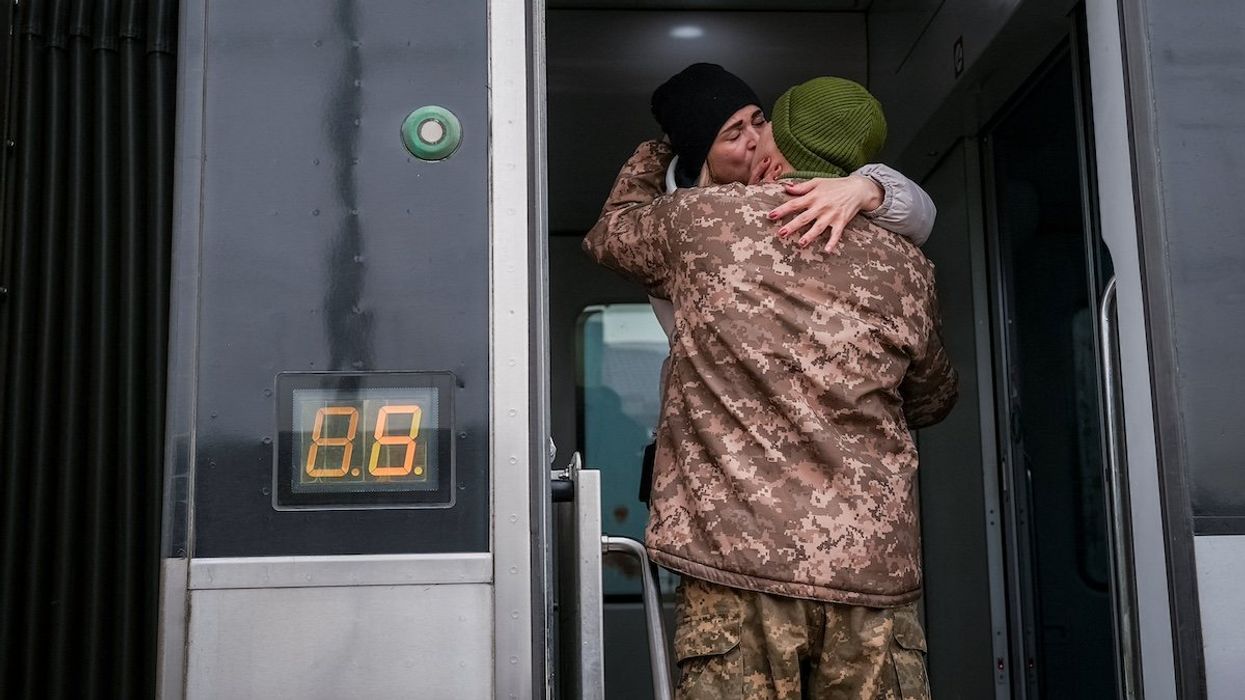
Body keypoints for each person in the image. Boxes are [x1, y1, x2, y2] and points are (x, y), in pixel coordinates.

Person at [583, 76, 958, 699]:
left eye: (764, 125)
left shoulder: (699, 225)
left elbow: (612, 231)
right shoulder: (907, 264)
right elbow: (933, 397)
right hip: (870, 575)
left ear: (781, 139)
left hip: (736, 567)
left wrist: (665, 146)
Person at [635, 63, 937, 504]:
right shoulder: (683, 226)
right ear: (702, 157)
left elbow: (922, 213)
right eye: (732, 134)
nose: (755, 140)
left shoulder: (831, 195)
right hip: (733, 464)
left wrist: (865, 186)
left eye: (758, 121)